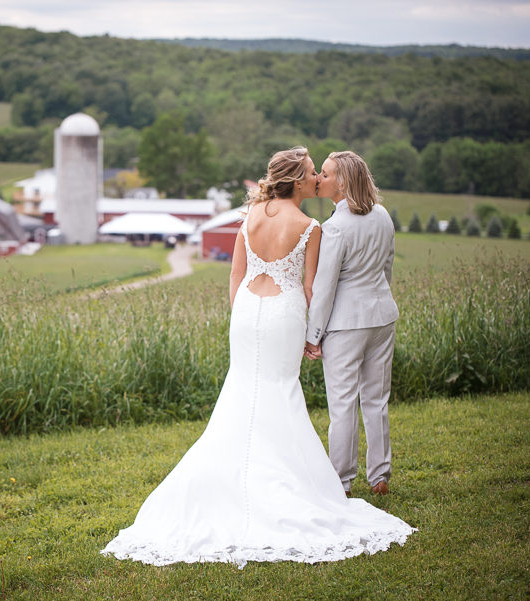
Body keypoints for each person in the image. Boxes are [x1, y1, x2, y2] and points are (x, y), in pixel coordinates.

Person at [102, 147, 414, 568]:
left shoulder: (250, 215)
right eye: (310, 173)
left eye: (319, 173)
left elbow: (236, 273)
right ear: (296, 180)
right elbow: (310, 289)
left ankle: (239, 480)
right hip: (287, 313)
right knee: (282, 390)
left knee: (242, 389)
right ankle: (344, 479)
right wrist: (311, 333)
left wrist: (242, 314)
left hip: (246, 312)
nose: (316, 180)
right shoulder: (312, 225)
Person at [304, 151, 399, 497]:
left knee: (342, 403)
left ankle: (341, 482)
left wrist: (313, 336)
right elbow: (386, 270)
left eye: (325, 175)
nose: (319, 180)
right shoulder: (384, 216)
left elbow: (324, 288)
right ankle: (380, 476)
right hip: (382, 316)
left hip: (346, 325)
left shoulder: (335, 227)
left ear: (342, 183)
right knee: (376, 399)